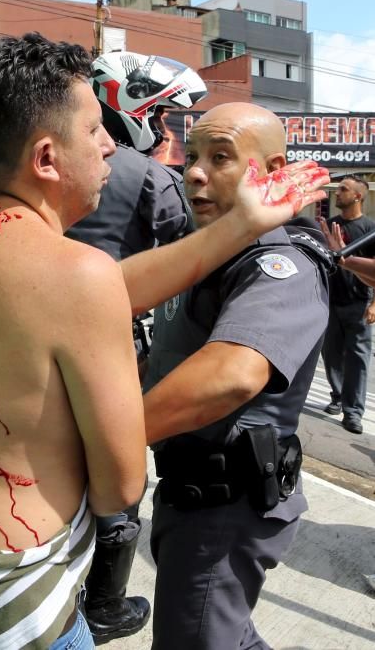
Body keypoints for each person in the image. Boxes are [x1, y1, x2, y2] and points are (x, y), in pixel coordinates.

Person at [0, 34, 328, 649]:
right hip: (17, 611)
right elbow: (118, 486)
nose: (113, 144)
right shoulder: (72, 275)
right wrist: (93, 431)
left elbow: (104, 287)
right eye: (94, 131)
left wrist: (243, 224)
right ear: (46, 157)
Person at [142, 102, 332, 650]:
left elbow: (233, 374)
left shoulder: (280, 263)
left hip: (224, 507)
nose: (194, 170)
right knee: (225, 634)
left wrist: (99, 439)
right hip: (190, 490)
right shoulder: (211, 248)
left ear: (271, 169)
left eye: (220, 157)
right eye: (193, 155)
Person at [67, 50, 207, 644]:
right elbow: (195, 248)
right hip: (109, 341)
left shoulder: (43, 158)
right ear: (136, 104)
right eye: (169, 116)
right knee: (118, 476)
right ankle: (103, 605)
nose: (173, 129)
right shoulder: (149, 176)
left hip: (32, 333)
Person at [320, 175, 375, 434]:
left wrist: (374, 304)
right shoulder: (330, 226)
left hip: (360, 304)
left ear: (358, 196)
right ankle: (338, 395)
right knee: (331, 355)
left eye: (343, 189)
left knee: (358, 359)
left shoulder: (370, 229)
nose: (337, 192)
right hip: (330, 303)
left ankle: (353, 412)